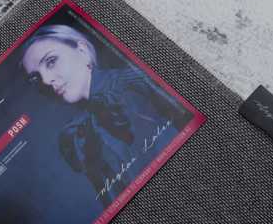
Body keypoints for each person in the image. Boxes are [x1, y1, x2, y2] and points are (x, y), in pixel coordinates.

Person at [19, 23, 192, 204]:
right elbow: (113, 200)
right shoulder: (75, 136)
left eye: (51, 61)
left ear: (82, 51)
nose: (46, 81)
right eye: (36, 78)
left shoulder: (137, 82)